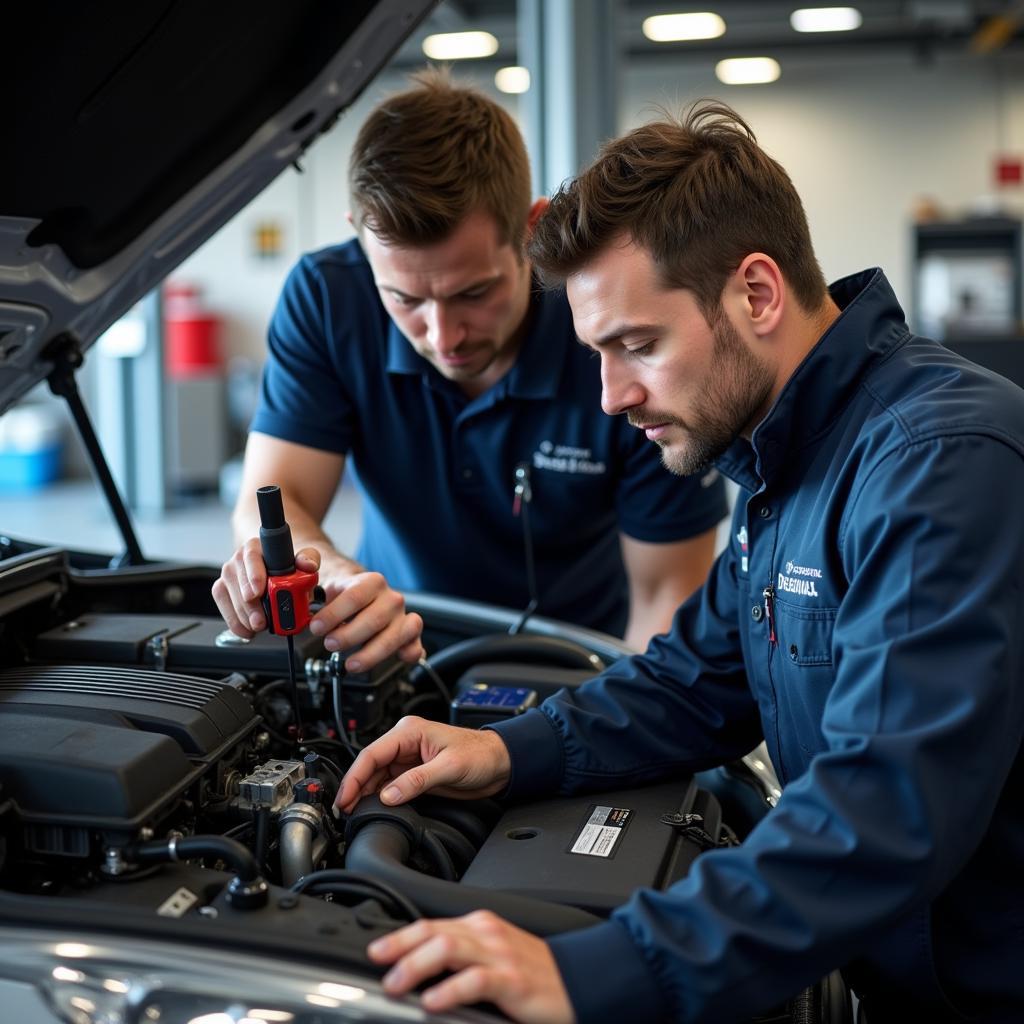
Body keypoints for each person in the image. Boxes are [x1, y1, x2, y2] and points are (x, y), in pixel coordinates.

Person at [334, 101, 1024, 1023]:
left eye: (639, 345)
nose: (612, 397)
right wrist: (504, 751)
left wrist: (594, 972)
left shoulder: (938, 463)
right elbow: (695, 682)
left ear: (757, 293)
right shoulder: (785, 461)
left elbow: (888, 809)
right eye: (597, 354)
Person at [212, 71, 727, 671]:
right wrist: (340, 581)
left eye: (474, 292)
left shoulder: (611, 325)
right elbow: (271, 502)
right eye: (405, 299)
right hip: (392, 656)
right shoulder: (328, 299)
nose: (443, 334)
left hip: (577, 668)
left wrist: (604, 734)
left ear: (532, 229)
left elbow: (666, 596)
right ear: (360, 240)